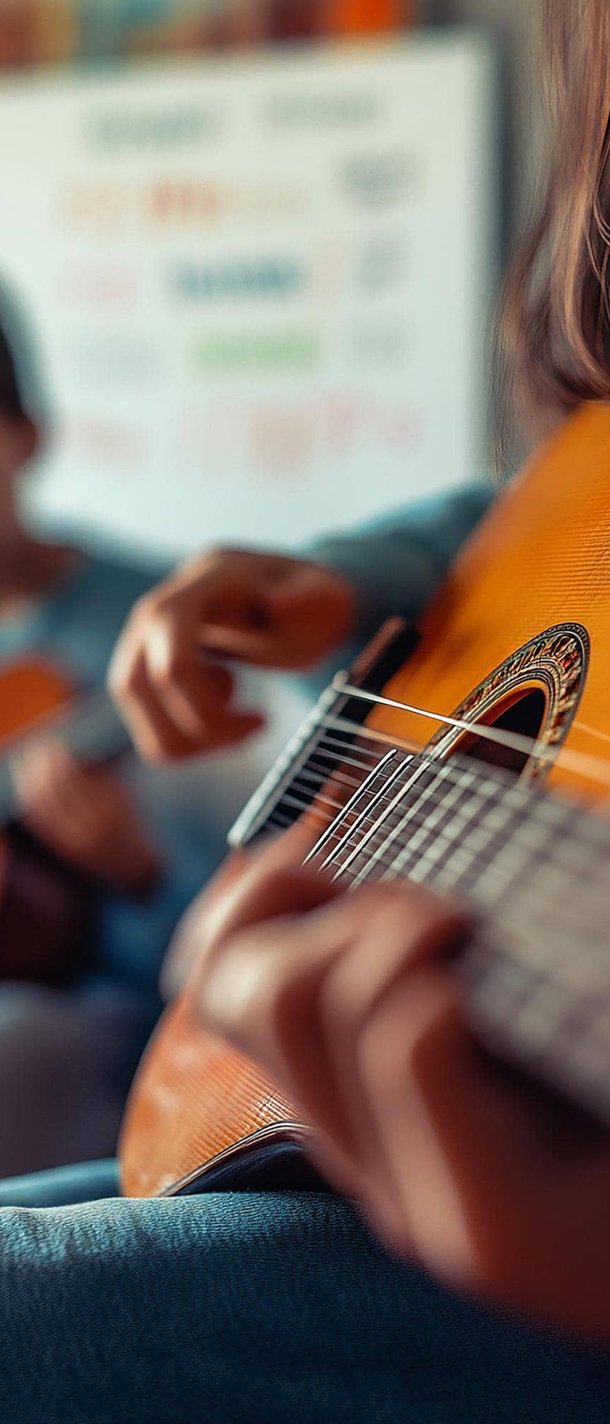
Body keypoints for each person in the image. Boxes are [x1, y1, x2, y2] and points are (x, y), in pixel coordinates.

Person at [2, 3, 610, 1419]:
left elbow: (193, 900)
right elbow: (534, 519)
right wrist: (349, 581)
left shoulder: (105, 619)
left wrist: (119, 887)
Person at [0, 283, 222, 1176]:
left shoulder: (168, 624)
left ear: (26, 436)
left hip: (107, 1011)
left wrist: (137, 870)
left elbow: (241, 920)